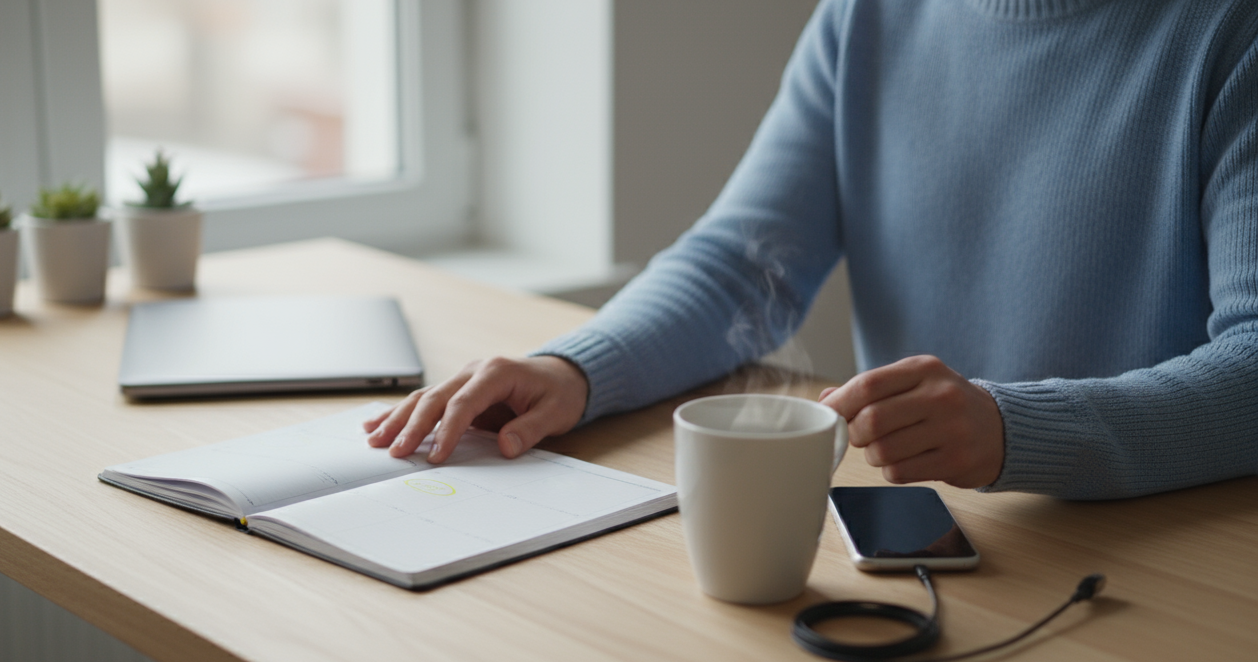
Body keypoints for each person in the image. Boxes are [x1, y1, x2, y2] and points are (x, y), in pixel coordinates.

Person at [367, 0, 1258, 500]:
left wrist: (1014, 429)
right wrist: (575, 369)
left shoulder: (1230, 35)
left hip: (1156, 560)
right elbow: (742, 265)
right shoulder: (868, 17)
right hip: (932, 540)